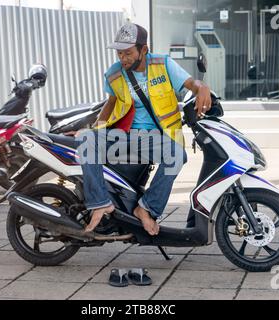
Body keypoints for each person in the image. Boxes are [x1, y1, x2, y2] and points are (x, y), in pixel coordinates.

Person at [77, 23, 211, 236]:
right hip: (125, 135)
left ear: (144, 50)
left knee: (176, 155)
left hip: (157, 136)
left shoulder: (163, 64)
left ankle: (146, 208)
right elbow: (111, 103)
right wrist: (96, 129)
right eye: (120, 53)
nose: (123, 58)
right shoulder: (113, 73)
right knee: (85, 141)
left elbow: (191, 83)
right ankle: (100, 202)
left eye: (128, 53)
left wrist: (202, 87)